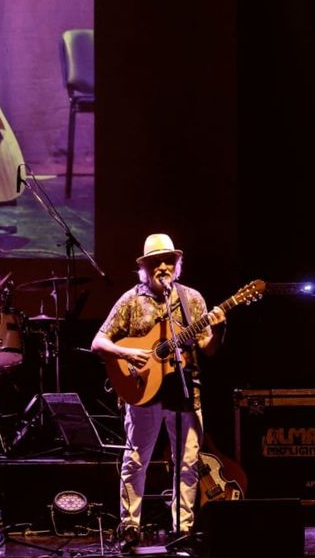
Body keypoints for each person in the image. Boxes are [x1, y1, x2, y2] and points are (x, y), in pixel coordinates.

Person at [91, 233, 226, 553]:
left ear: (177, 265)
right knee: (137, 458)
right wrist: (127, 355)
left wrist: (219, 328)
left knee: (188, 461)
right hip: (142, 390)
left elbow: (208, 349)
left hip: (184, 388)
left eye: (168, 261)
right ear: (145, 268)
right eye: (155, 262)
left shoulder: (192, 299)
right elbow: (99, 342)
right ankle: (130, 526)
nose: (162, 267)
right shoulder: (130, 300)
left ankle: (183, 527)